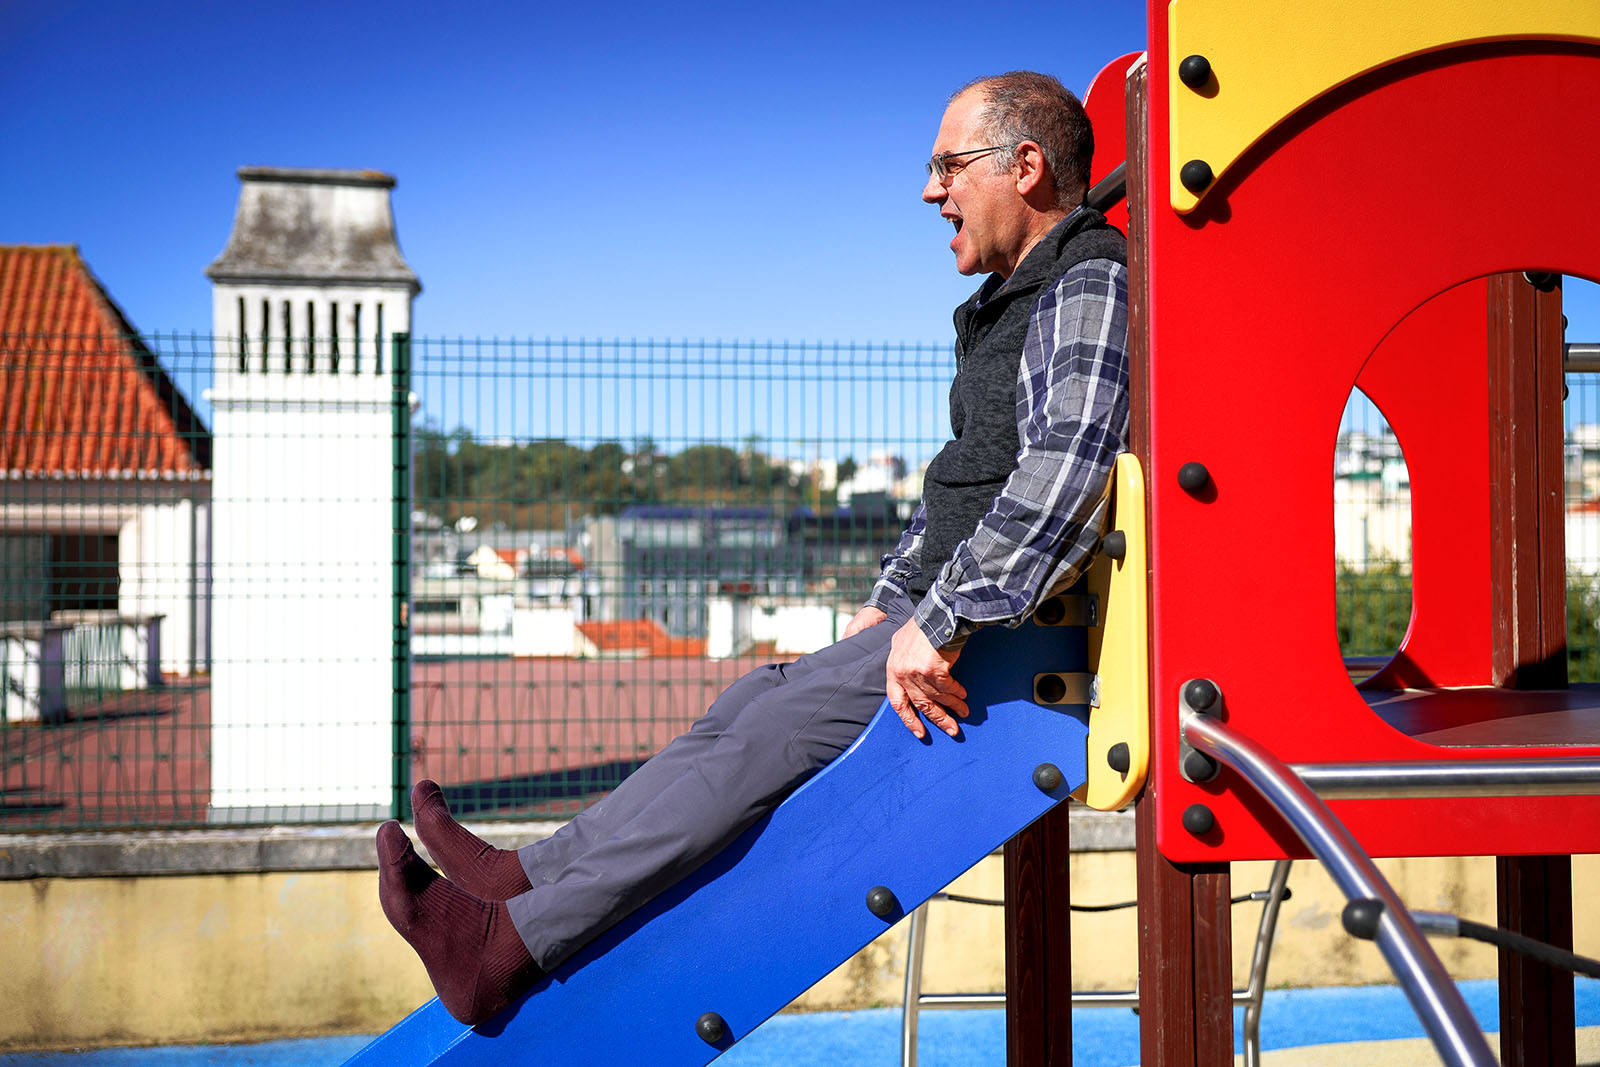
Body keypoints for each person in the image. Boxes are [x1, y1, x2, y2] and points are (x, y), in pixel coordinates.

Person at [376, 69, 1130, 1025]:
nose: (930, 190)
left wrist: (938, 620)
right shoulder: (1014, 299)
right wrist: (894, 596)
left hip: (1010, 636)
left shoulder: (1086, 276)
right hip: (954, 615)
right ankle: (522, 877)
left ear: (1026, 166)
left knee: (770, 737)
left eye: (948, 164)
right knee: (755, 698)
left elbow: (1069, 470)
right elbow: (965, 478)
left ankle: (506, 949)